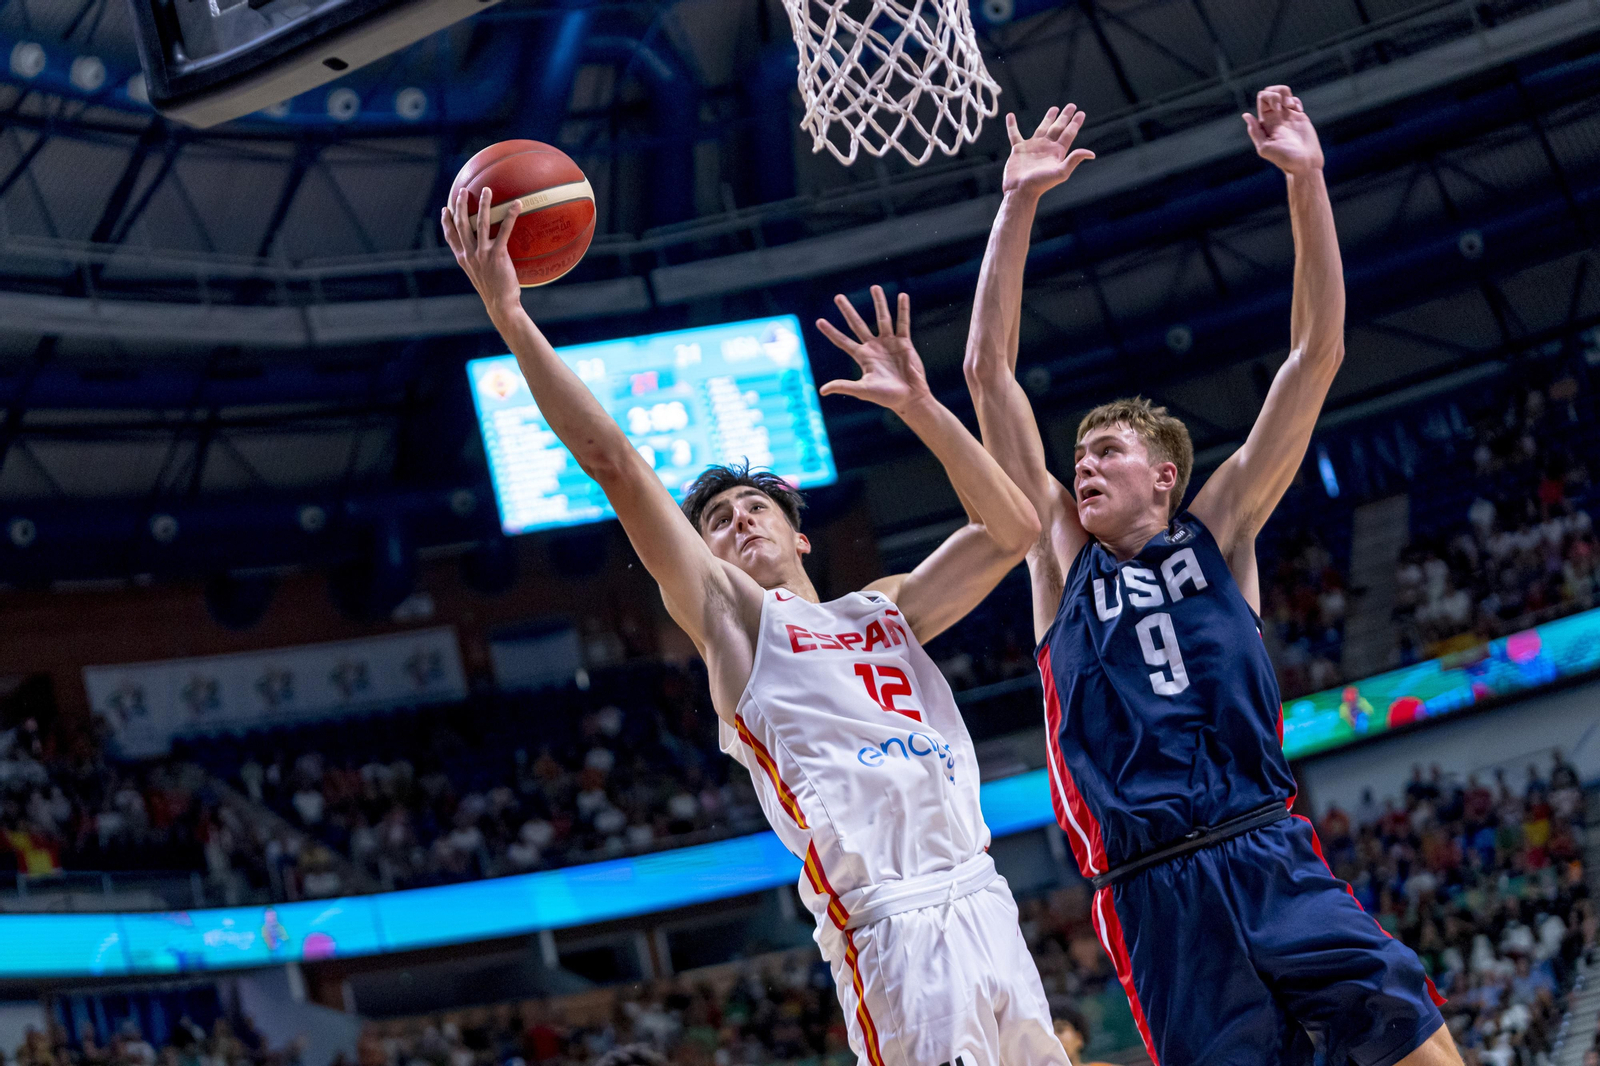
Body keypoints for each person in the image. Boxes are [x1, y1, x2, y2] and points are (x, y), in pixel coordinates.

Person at [442, 192, 1064, 1066]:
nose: (740, 522)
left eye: (755, 507)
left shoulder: (883, 606)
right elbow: (615, 465)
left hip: (984, 894)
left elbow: (1016, 530)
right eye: (719, 521)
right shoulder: (734, 622)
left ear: (799, 532)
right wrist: (510, 315)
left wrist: (922, 405)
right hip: (888, 922)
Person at [962, 91, 1460, 1066]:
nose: (1084, 467)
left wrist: (1306, 183)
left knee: (1423, 1050)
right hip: (1156, 895)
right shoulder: (1058, 560)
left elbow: (1316, 356)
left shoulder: (1218, 531)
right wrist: (1015, 205)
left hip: (1271, 851)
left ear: (1166, 473)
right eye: (1078, 455)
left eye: (1105, 450)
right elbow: (988, 373)